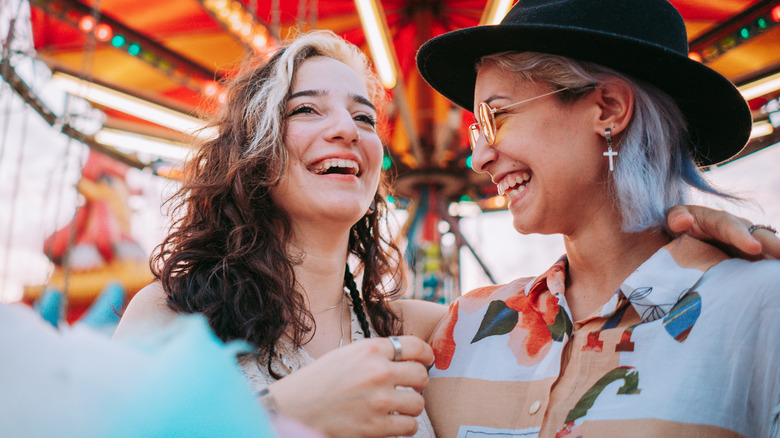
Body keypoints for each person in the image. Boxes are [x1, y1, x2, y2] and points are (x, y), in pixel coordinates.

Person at [115, 28, 779, 438]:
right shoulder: (174, 314)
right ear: (255, 148)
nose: (347, 128)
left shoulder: (429, 331)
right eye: (306, 109)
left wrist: (695, 236)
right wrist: (284, 418)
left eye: (365, 117)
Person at [415, 0, 780, 437]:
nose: (479, 157)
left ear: (608, 108)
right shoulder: (465, 324)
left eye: (497, 117)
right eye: (478, 130)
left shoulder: (760, 310)